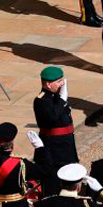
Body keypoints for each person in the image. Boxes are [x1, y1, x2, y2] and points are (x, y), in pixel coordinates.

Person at [33, 66, 79, 195]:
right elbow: (52, 118)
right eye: (59, 81)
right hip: (54, 149)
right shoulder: (41, 100)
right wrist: (62, 99)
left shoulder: (56, 97)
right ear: (48, 84)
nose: (62, 84)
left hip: (66, 145)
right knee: (53, 184)